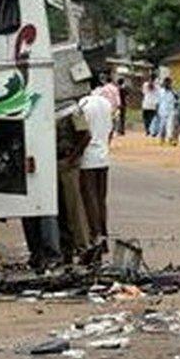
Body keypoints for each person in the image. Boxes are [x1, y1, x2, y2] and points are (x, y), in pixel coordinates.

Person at [54, 102, 92, 264]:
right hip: (54, 162)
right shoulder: (49, 107)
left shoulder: (72, 109)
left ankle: (83, 247)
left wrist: (72, 158)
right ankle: (65, 249)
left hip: (67, 162)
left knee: (73, 207)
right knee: (59, 209)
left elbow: (86, 135)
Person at [79, 92, 114, 253]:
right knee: (101, 200)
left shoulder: (83, 104)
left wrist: (74, 156)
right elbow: (111, 130)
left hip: (88, 158)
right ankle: (103, 236)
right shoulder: (106, 104)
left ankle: (95, 236)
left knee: (89, 200)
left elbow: (84, 134)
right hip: (103, 156)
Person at [150, 77, 178, 143]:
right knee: (162, 126)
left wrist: (176, 110)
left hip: (171, 111)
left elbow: (177, 101)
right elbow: (157, 102)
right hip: (162, 111)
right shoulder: (160, 91)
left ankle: (170, 139)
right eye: (166, 83)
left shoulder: (173, 92)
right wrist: (156, 111)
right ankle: (162, 138)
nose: (167, 84)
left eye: (169, 83)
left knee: (170, 125)